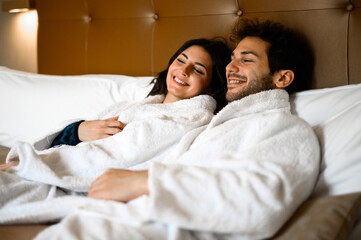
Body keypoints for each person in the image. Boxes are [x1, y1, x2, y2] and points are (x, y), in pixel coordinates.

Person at [82, 18, 320, 239]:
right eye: (232, 59)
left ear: (282, 78)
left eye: (246, 60)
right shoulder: (216, 127)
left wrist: (146, 182)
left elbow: (261, 201)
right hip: (121, 218)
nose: (230, 67)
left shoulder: (287, 129)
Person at [0, 38, 231, 192]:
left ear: (211, 86)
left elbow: (119, 156)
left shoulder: (191, 120)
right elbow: (58, 142)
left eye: (198, 69)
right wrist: (78, 130)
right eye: (181, 60)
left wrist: (32, 164)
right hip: (51, 165)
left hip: (73, 177)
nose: (184, 70)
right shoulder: (128, 106)